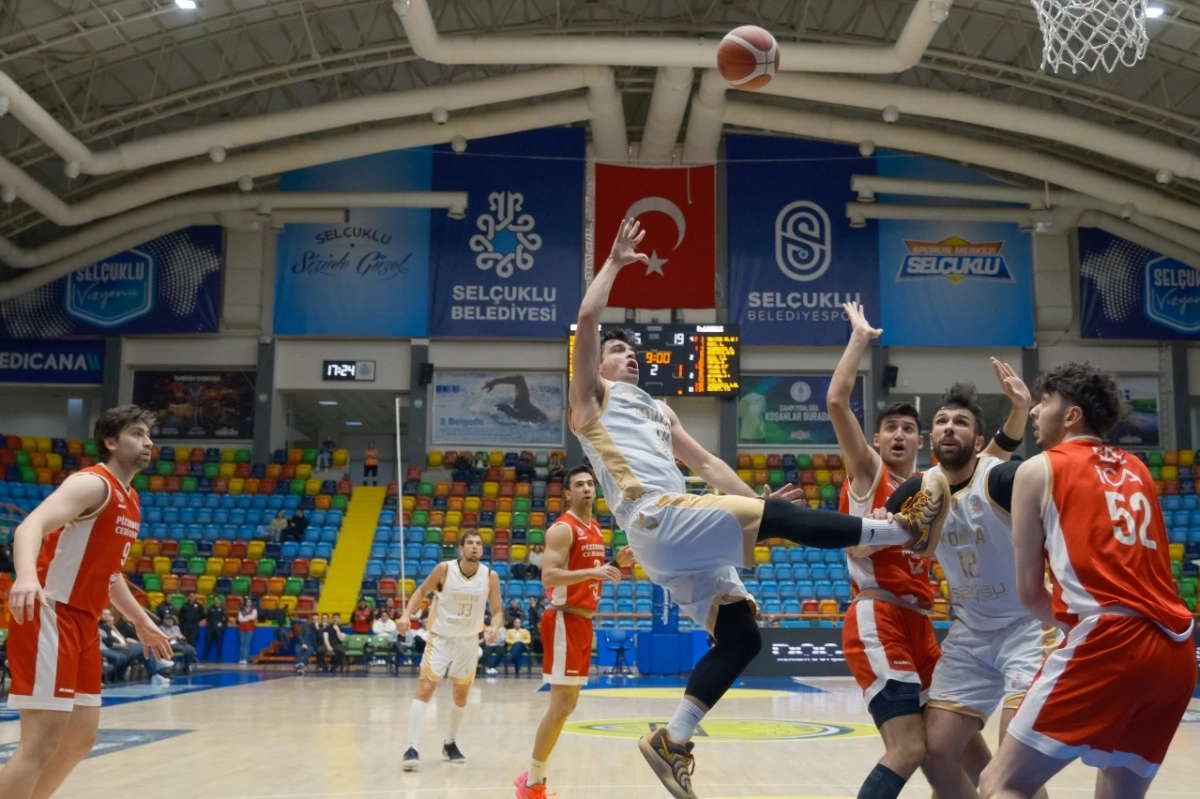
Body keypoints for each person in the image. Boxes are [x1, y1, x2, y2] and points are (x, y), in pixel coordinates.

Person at [571, 219, 947, 799]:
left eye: (633, 351)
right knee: (783, 524)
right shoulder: (591, 398)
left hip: (675, 534)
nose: (631, 357)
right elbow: (588, 316)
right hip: (656, 514)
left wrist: (752, 502)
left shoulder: (660, 411)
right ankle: (897, 530)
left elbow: (708, 464)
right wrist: (617, 263)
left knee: (742, 637)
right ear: (596, 364)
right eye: (619, 351)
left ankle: (672, 740)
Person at [829, 302, 1030, 799]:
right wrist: (859, 338)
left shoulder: (931, 485)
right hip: (881, 613)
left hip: (924, 623)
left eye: (907, 429)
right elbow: (836, 401)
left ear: (923, 442)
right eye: (890, 429)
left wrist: (1018, 413)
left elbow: (986, 461)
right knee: (911, 748)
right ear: (876, 439)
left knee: (967, 751)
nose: (898, 435)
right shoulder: (869, 473)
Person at [979, 363, 1197, 799]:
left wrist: (1079, 630)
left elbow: (1031, 594)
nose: (1036, 411)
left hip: (1109, 640)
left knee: (1000, 783)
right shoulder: (1138, 469)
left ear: (1072, 415)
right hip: (1176, 649)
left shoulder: (1037, 469)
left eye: (1045, 402)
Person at [884, 383, 1049, 799]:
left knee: (1015, 765)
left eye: (960, 422)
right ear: (931, 440)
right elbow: (867, 536)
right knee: (936, 753)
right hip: (971, 634)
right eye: (941, 421)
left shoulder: (1001, 477)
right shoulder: (919, 490)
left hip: (1027, 629)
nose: (949, 427)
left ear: (978, 442)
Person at [0, 405, 174, 799]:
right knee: (40, 741)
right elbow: (30, 526)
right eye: (136, 434)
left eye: (149, 435)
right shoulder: (92, 484)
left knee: (80, 738)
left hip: (84, 621)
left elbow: (109, 575)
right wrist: (26, 575)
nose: (147, 442)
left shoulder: (131, 499)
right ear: (110, 441)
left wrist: (140, 620)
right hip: (50, 611)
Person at [516, 465, 633, 799]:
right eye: (579, 484)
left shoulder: (595, 528)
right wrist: (593, 571)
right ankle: (532, 784)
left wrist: (616, 564)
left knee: (568, 705)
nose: (586, 488)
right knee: (560, 705)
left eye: (589, 484)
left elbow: (591, 573)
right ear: (567, 493)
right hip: (563, 619)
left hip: (583, 621)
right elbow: (549, 576)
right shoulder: (562, 529)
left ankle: (533, 776)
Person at [399, 530, 503, 771]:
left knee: (461, 695)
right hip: (441, 639)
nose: (475, 546)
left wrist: (495, 627)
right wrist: (406, 615)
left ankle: (450, 743)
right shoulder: (444, 570)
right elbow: (421, 591)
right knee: (425, 689)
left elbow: (497, 611)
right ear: (461, 548)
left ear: (482, 549)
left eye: (478, 543)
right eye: (470, 543)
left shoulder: (490, 576)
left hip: (469, 641)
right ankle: (411, 747)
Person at [203, 595, 228, 663]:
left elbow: (225, 620)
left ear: (219, 601)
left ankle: (219, 659)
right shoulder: (211, 608)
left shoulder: (223, 609)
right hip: (211, 628)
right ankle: (204, 658)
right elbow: (207, 618)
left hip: (219, 629)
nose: (216, 601)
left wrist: (222, 628)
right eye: (215, 600)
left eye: (217, 600)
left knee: (219, 644)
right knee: (208, 643)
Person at [237, 598, 258, 665]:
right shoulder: (242, 610)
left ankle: (245, 659)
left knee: (247, 644)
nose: (248, 603)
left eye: (250, 602)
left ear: (251, 603)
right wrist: (248, 618)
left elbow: (253, 617)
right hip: (242, 629)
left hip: (250, 629)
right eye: (247, 602)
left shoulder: (254, 610)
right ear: (245, 603)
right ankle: (241, 659)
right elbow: (240, 619)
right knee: (242, 644)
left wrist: (245, 617)